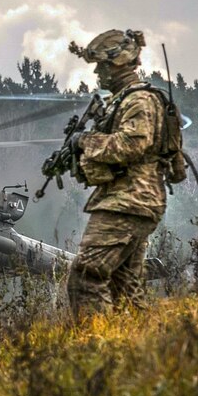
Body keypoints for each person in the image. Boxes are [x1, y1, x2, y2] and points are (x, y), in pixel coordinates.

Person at [65, 29, 167, 319]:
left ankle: (96, 350)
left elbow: (131, 145)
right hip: (133, 200)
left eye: (102, 65)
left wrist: (85, 141)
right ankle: (145, 352)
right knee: (126, 288)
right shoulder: (123, 100)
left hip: (129, 200)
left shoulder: (139, 101)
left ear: (118, 64)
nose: (98, 71)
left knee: (86, 277)